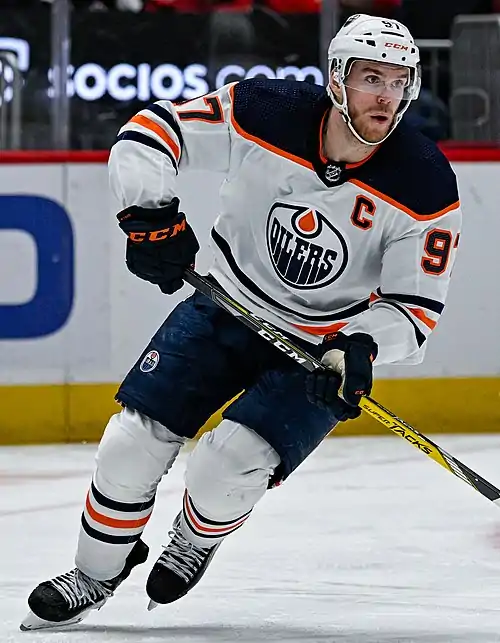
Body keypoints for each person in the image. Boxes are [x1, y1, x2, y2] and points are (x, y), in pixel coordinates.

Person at [21, 13, 462, 631]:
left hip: (317, 350)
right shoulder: (266, 111)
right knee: (130, 445)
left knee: (225, 466)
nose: (386, 96)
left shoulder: (425, 183)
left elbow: (415, 310)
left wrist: (361, 346)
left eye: (399, 81)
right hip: (225, 307)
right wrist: (148, 216)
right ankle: (95, 573)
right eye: (371, 78)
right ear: (337, 77)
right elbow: (150, 133)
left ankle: (194, 538)